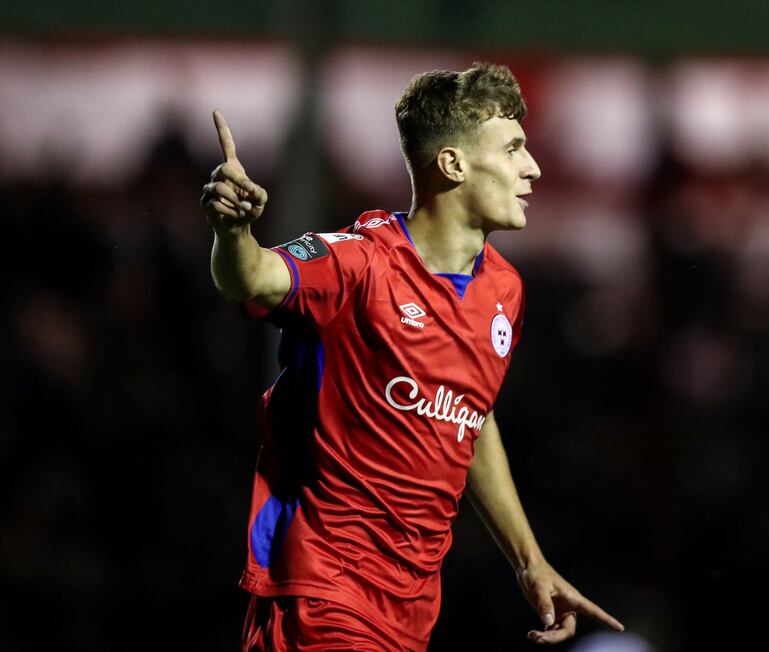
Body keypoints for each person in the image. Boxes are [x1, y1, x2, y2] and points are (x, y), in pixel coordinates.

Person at [202, 62, 623, 650]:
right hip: (321, 595)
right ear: (453, 164)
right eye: (512, 150)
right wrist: (233, 234)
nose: (532, 167)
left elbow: (469, 416)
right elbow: (251, 277)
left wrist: (530, 561)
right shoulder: (357, 264)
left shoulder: (504, 291)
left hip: (409, 613)